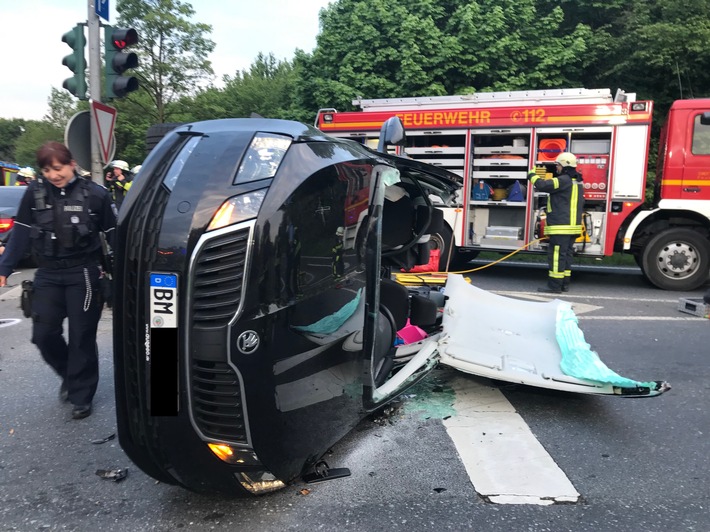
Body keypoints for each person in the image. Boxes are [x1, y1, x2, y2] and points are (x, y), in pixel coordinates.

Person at [0, 141, 117, 419]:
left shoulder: (96, 195)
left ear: (71, 164)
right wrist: (4, 269)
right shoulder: (34, 193)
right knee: (43, 335)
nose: (53, 174)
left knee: (81, 338)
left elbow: (116, 236)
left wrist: (130, 271)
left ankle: (81, 395)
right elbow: (19, 235)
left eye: (58, 167)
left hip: (84, 274)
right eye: (47, 169)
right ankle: (69, 373)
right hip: (48, 274)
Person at [527, 152, 584, 294]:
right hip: (572, 228)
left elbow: (543, 185)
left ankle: (554, 286)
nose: (557, 168)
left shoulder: (563, 180)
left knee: (557, 256)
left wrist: (532, 175)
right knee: (566, 256)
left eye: (558, 165)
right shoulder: (577, 181)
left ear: (564, 165)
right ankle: (564, 284)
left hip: (561, 227)